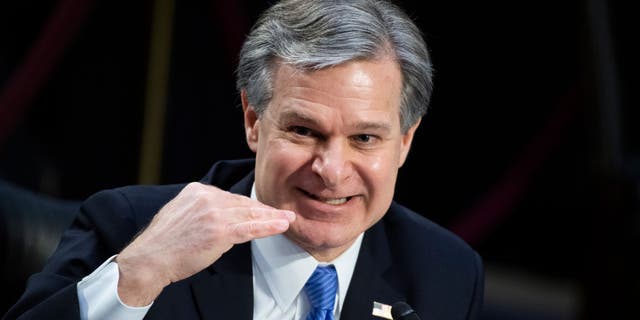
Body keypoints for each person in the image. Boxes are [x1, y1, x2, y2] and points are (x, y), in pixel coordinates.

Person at [4, 0, 484, 319]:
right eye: (303, 131)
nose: (332, 170)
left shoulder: (445, 273)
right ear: (254, 122)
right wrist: (140, 273)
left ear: (404, 142)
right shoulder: (130, 227)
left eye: (364, 138)